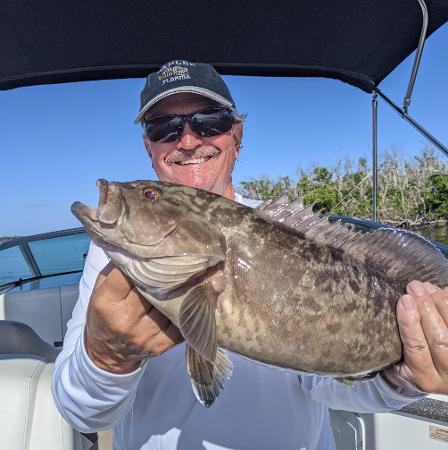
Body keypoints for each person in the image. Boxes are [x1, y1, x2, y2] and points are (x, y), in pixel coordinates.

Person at [52, 60, 448, 450]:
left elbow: (330, 385)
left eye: (209, 121)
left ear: (236, 135)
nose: (187, 140)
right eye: (163, 127)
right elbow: (81, 415)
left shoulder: (283, 231)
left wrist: (403, 377)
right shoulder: (112, 257)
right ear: (148, 146)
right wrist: (106, 357)